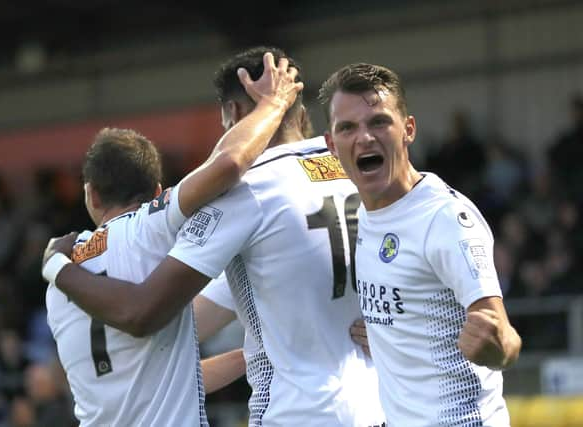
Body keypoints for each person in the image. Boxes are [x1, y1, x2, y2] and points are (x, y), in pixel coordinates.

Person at [42, 47, 385, 427]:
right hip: (382, 407)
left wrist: (57, 266)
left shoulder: (244, 193)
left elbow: (145, 311)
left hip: (295, 413)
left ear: (236, 116)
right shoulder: (359, 175)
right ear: (301, 114)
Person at [319, 63, 522, 426]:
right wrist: (389, 335)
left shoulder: (444, 218)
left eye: (378, 122)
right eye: (348, 127)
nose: (364, 137)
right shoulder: (366, 215)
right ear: (332, 146)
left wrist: (497, 347)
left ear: (408, 130)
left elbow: (504, 338)